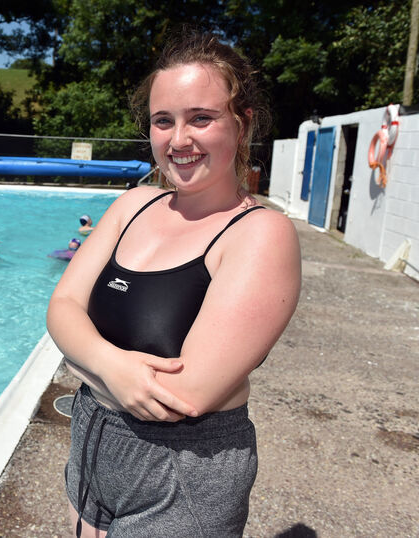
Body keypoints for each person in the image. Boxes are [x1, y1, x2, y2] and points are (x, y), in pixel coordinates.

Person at [46, 30, 301, 537]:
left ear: (242, 123)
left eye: (201, 118)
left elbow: (183, 396)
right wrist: (113, 367)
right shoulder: (131, 206)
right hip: (91, 453)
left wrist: (82, 355)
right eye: (164, 120)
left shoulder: (260, 234)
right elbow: (61, 306)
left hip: (182, 476)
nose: (178, 139)